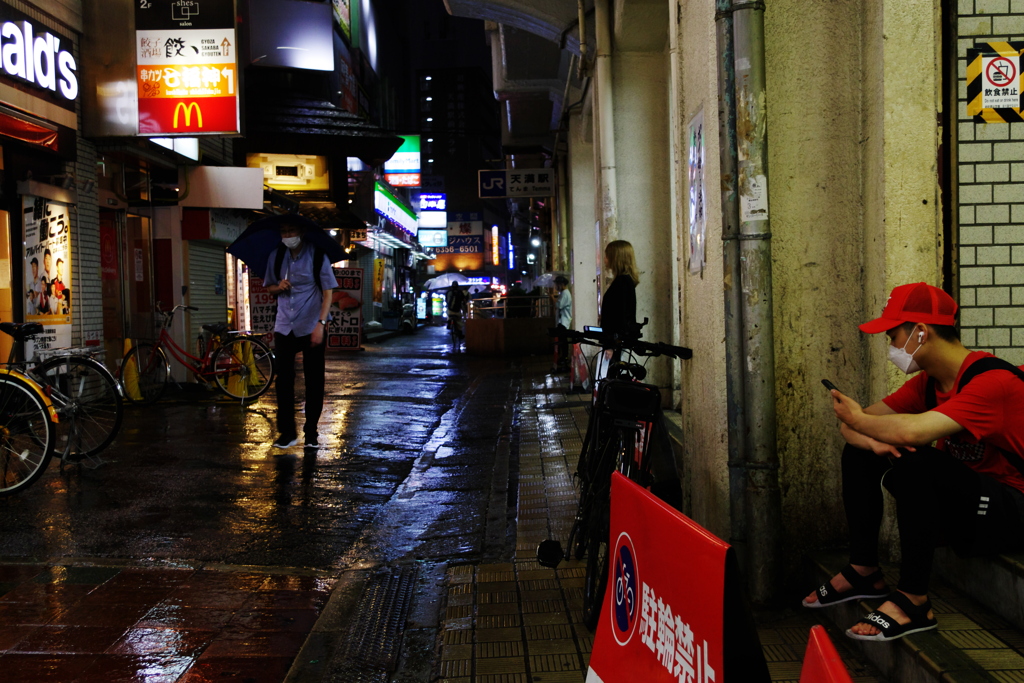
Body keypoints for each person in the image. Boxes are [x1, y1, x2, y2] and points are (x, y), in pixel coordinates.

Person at [803, 282, 1024, 642]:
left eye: (893, 336)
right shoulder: (929, 384)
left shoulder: (992, 383)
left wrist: (862, 423)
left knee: (915, 461)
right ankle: (864, 571)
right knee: (869, 450)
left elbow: (910, 433)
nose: (890, 347)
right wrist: (868, 436)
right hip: (969, 506)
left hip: (1011, 510)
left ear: (920, 332)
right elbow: (856, 428)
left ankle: (914, 601)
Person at [263, 217, 336, 449]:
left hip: (310, 324)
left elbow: (328, 293)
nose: (287, 234)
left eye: (291, 229)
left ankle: (311, 432)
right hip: (284, 324)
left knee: (314, 380)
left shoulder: (317, 256)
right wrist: (278, 287)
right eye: (283, 230)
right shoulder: (276, 256)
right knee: (283, 380)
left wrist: (320, 324)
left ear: (302, 231)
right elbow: (269, 287)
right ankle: (287, 433)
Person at [600, 240, 638, 338]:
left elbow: (620, 317)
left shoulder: (622, 282)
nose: (604, 259)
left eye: (607, 256)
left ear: (615, 258)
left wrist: (610, 345)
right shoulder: (623, 281)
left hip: (615, 341)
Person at [552, 275, 572, 370]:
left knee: (563, 341)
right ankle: (563, 358)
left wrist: (552, 298)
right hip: (562, 321)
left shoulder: (565, 293)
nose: (556, 286)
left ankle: (564, 358)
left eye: (557, 284)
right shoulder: (563, 293)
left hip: (564, 321)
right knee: (562, 340)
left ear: (562, 284)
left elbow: (558, 305)